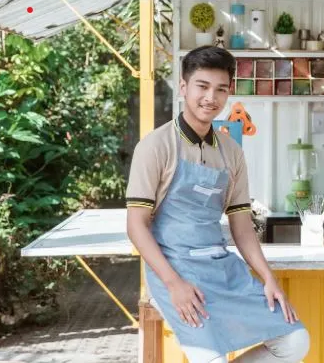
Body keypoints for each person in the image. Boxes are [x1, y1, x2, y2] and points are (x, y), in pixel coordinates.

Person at [126, 46, 309, 363]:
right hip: (175, 270)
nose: (211, 97)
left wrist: (268, 278)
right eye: (202, 86)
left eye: (220, 89)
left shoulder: (231, 151)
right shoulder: (155, 146)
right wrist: (174, 285)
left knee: (295, 341)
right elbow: (136, 225)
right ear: (183, 87)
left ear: (229, 93)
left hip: (222, 269)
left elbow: (241, 226)